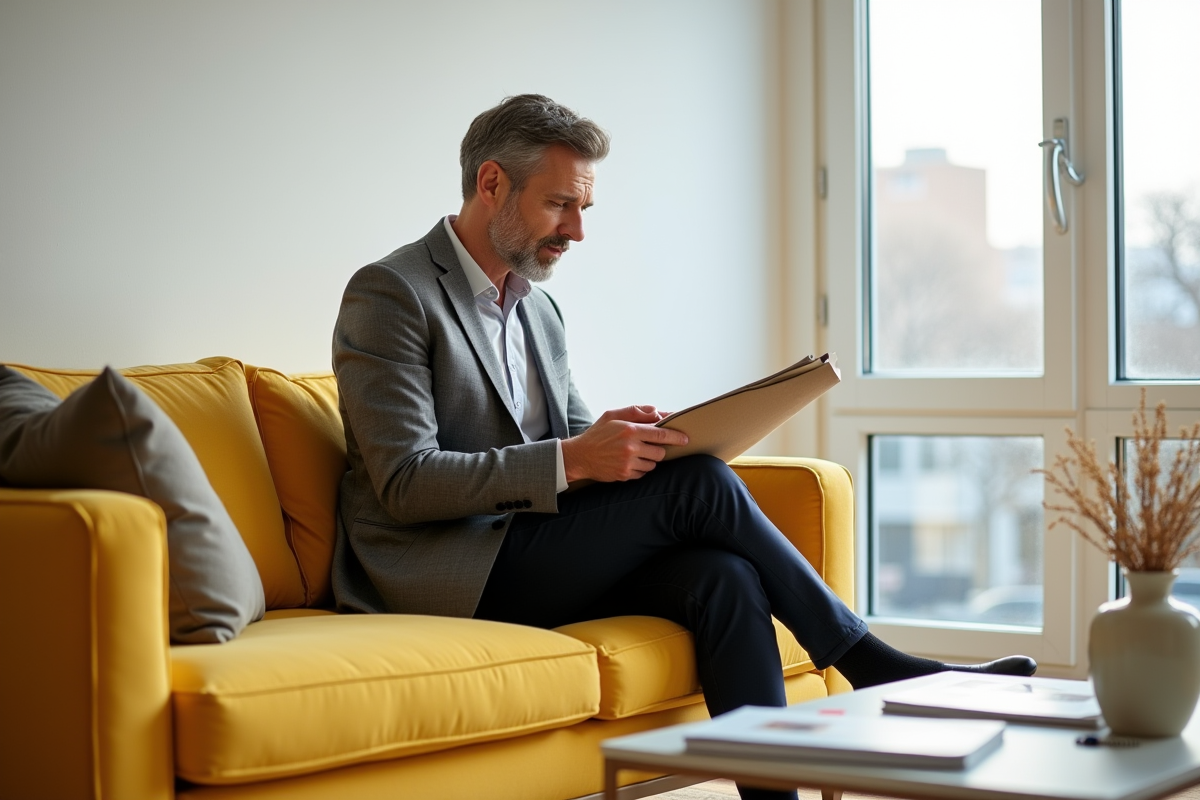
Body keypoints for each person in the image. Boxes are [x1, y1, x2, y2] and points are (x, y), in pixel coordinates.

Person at [331, 94, 1036, 800]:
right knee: (700, 486)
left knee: (721, 577)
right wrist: (578, 458)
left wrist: (635, 444)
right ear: (491, 185)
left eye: (584, 210)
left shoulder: (538, 308)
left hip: (529, 545)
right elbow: (406, 481)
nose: (576, 230)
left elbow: (572, 446)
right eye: (559, 206)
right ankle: (869, 660)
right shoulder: (394, 293)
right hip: (445, 567)